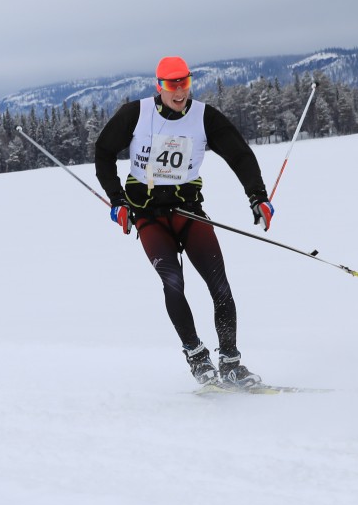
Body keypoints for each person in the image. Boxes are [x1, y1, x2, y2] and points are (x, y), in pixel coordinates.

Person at [94, 56, 275, 387]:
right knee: (173, 282)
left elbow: (239, 154)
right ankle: (197, 358)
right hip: (148, 215)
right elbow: (104, 151)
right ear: (159, 86)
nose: (179, 92)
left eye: (184, 83)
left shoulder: (204, 117)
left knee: (220, 286)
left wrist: (257, 196)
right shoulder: (135, 114)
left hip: (188, 212)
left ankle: (231, 363)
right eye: (171, 85)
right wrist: (117, 200)